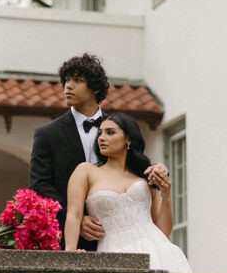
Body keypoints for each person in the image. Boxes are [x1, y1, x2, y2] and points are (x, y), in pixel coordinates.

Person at [29, 54, 169, 251]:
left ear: (95, 87)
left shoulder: (119, 127)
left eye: (77, 80)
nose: (68, 86)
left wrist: (159, 169)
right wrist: (76, 217)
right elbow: (39, 185)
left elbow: (134, 166)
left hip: (121, 237)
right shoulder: (46, 134)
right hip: (71, 239)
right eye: (66, 80)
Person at [64, 112, 191, 273]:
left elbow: (163, 231)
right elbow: (74, 214)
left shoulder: (144, 176)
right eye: (100, 133)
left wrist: (166, 194)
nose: (101, 138)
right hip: (113, 252)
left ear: (128, 139)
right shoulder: (86, 171)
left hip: (157, 250)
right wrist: (70, 252)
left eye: (110, 133)